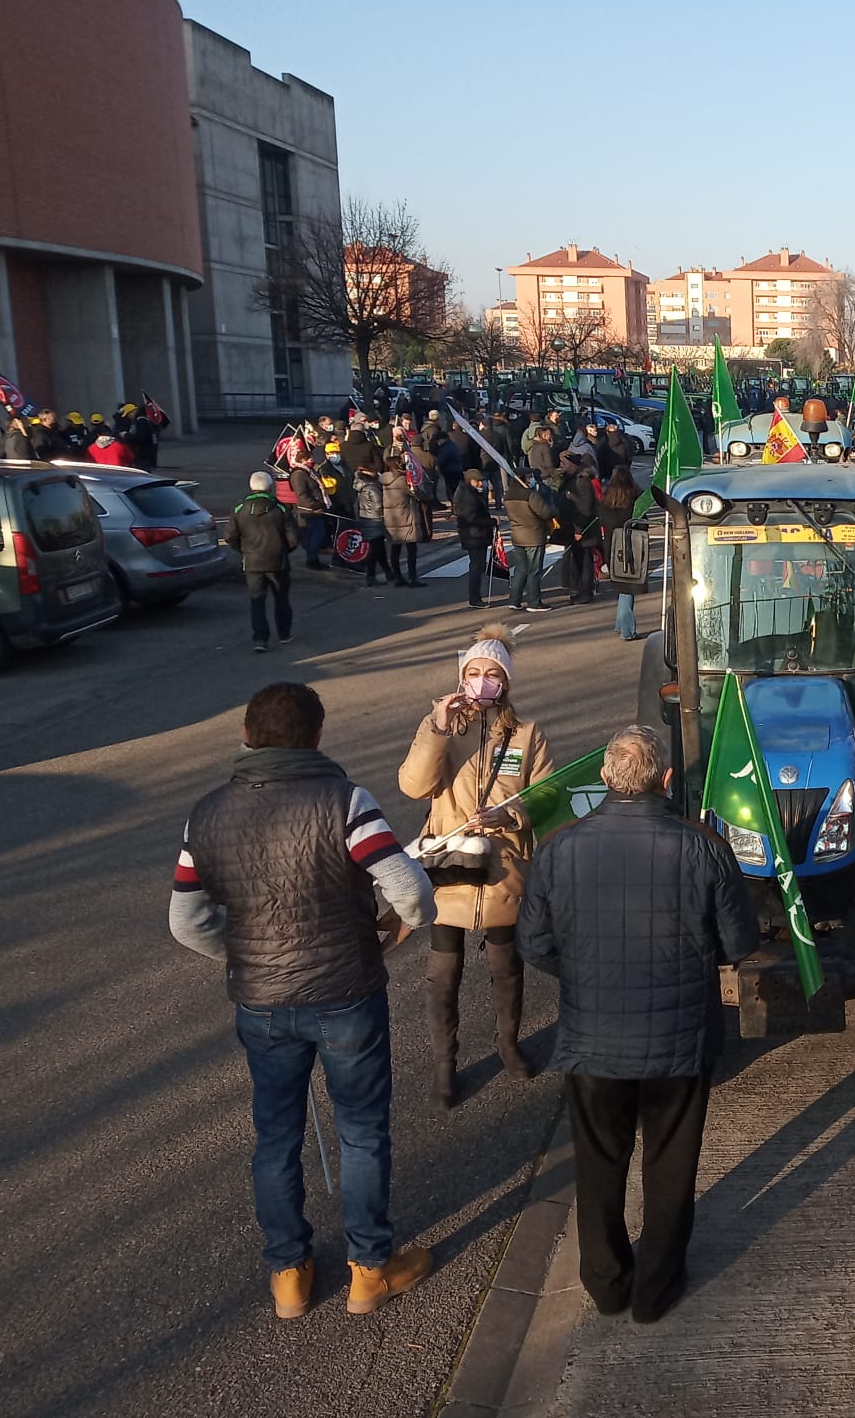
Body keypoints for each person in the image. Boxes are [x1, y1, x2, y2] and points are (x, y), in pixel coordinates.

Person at [168, 681, 438, 1319]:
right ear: (316, 736)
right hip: (346, 993)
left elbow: (186, 923)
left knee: (275, 1136)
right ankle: (370, 1269)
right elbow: (413, 893)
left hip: (260, 1003)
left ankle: (288, 1274)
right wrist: (394, 933)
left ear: (246, 735)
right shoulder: (345, 802)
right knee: (362, 1132)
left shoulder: (204, 815)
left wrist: (245, 958)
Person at [516, 725, 758, 1322]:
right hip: (678, 1041)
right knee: (670, 1165)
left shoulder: (559, 847)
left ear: (604, 778)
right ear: (666, 779)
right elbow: (738, 941)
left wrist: (583, 974)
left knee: (599, 1163)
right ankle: (657, 1287)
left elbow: (534, 943)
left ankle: (606, 1280)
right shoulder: (703, 846)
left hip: (592, 1040)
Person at [399, 624, 555, 1108]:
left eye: (492, 673)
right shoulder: (441, 730)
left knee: (506, 964)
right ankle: (446, 1063)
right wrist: (439, 729)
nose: (483, 681)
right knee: (443, 972)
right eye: (474, 672)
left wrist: (512, 813)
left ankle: (508, 1044)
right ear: (461, 677)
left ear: (506, 682)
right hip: (449, 864)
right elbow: (413, 786)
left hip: (503, 866)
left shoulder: (528, 734)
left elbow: (549, 793)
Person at [228, 471, 302, 651]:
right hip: (278, 561)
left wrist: (244, 551)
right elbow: (293, 538)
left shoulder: (239, 509)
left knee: (257, 600)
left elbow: (230, 536)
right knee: (281, 599)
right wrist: (283, 550)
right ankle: (284, 633)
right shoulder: (282, 509)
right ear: (270, 487)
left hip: (252, 562)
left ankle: (260, 639)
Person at [597, 467, 643, 640]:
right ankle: (627, 630)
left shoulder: (605, 502)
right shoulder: (635, 501)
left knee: (621, 587)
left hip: (611, 547)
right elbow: (642, 524)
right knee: (628, 589)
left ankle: (620, 623)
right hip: (631, 547)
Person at [504, 474, 553, 613]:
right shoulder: (530, 495)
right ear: (523, 479)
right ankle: (534, 602)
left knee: (520, 569)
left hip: (517, 535)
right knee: (534, 570)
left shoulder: (508, 495)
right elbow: (545, 512)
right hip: (533, 535)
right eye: (529, 477)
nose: (531, 480)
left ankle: (515, 600)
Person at [555, 456, 600, 604]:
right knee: (575, 562)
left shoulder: (581, 482)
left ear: (573, 465)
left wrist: (579, 530)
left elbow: (584, 509)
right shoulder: (569, 479)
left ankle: (585, 592)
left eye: (564, 463)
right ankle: (577, 590)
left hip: (583, 531)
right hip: (571, 528)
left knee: (585, 563)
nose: (561, 465)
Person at [381, 455, 428, 588]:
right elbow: (417, 493)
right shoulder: (401, 480)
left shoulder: (384, 480)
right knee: (411, 549)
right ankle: (412, 577)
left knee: (395, 550)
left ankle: (398, 577)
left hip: (391, 519)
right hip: (406, 517)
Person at [452, 468, 496, 608]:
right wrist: (492, 522)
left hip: (474, 534)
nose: (481, 484)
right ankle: (475, 598)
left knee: (478, 565)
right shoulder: (468, 496)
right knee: (477, 566)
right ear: (470, 481)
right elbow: (472, 518)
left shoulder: (468, 492)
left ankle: (476, 597)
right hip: (474, 535)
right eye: (478, 481)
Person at [352, 461, 398, 587]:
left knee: (379, 549)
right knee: (375, 550)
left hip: (367, 518)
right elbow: (378, 505)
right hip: (375, 520)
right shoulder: (372, 486)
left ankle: (388, 572)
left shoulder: (362, 485)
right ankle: (370, 576)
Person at [288, 455, 330, 571]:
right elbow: (301, 494)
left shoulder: (308, 471)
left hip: (315, 509)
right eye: (309, 458)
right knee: (315, 535)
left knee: (316, 534)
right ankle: (312, 560)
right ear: (302, 460)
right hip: (309, 510)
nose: (312, 460)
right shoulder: (298, 474)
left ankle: (313, 558)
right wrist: (314, 505)